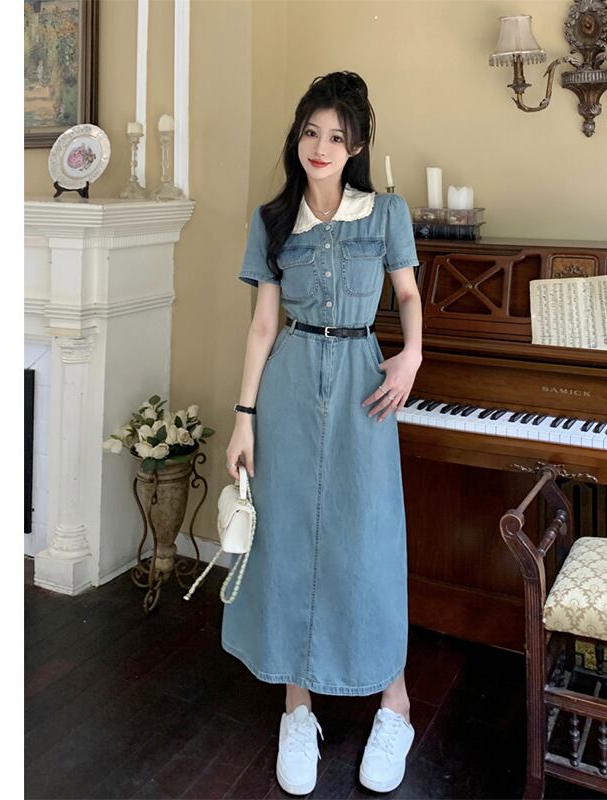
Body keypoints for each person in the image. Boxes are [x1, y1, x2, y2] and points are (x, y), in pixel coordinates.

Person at [223, 71, 423, 795]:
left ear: (357, 145)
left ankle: (395, 704)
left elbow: (407, 294)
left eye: (337, 136)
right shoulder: (273, 220)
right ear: (298, 137)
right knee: (289, 537)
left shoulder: (386, 213)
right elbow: (263, 325)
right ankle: (296, 707)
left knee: (367, 538)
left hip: (364, 386)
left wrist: (412, 354)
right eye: (311, 131)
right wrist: (243, 418)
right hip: (289, 384)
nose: (321, 146)